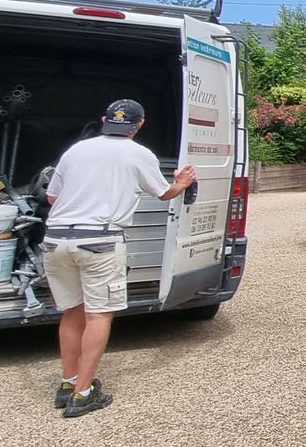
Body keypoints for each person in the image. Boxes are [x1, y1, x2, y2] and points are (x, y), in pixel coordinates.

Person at [41, 99, 195, 417]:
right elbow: (163, 193)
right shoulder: (138, 154)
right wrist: (182, 182)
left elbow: (52, 196)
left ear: (104, 120)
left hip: (56, 239)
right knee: (99, 314)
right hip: (99, 241)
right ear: (139, 124)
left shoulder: (76, 151)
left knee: (72, 313)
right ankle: (84, 394)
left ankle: (68, 383)